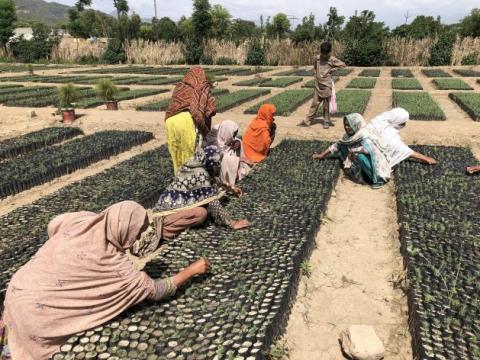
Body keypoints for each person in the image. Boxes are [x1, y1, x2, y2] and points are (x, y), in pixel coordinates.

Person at [2, 201, 210, 360]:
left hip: (17, 289)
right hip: (37, 315)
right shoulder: (117, 268)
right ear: (125, 229)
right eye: (137, 233)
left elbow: (53, 224)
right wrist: (190, 271)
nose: (137, 239)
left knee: (15, 335)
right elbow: (156, 290)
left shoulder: (83, 221)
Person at [143, 145, 250, 255]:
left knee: (202, 209)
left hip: (167, 212)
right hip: (165, 217)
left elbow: (213, 180)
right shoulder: (199, 173)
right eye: (217, 162)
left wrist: (231, 188)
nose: (218, 165)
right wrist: (231, 223)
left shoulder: (196, 164)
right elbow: (212, 202)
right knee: (201, 213)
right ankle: (166, 231)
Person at [312, 113, 388, 188]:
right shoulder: (347, 136)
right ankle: (355, 173)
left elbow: (368, 150)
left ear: (356, 124)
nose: (347, 127)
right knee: (343, 145)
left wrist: (354, 150)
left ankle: (377, 180)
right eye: (345, 125)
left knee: (360, 156)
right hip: (360, 161)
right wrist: (321, 155)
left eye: (349, 125)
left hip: (374, 164)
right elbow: (336, 145)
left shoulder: (364, 135)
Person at [164, 67, 217, 174]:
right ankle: (189, 178)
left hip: (170, 121)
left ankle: (178, 176)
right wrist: (205, 129)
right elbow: (208, 109)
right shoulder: (203, 87)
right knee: (189, 152)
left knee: (176, 151)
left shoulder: (180, 86)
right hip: (186, 121)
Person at [363, 108, 437, 169]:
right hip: (370, 154)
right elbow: (404, 150)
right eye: (403, 123)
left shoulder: (380, 119)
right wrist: (426, 158)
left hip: (363, 143)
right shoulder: (389, 134)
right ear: (398, 122)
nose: (404, 124)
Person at [299, 41, 346, 129]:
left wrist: (333, 70)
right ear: (321, 51)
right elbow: (315, 68)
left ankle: (326, 121)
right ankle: (307, 120)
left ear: (329, 52)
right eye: (323, 53)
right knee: (314, 104)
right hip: (318, 85)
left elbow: (343, 65)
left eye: (326, 53)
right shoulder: (317, 58)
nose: (324, 55)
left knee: (326, 105)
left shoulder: (332, 59)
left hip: (327, 85)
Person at [206, 120, 252, 190]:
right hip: (216, 173)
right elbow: (220, 157)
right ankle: (228, 181)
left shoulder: (225, 137)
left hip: (225, 160)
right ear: (227, 132)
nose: (233, 138)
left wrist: (238, 142)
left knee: (236, 146)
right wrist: (241, 159)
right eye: (232, 135)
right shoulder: (213, 142)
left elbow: (236, 140)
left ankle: (236, 174)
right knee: (229, 159)